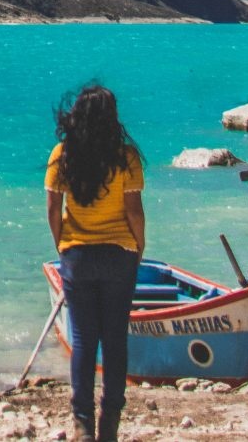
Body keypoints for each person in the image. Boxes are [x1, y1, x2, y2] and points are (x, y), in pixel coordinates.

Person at [45, 84, 144, 442]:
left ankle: (82, 425)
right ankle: (110, 426)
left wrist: (62, 246)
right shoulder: (126, 157)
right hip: (119, 255)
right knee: (115, 340)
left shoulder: (62, 155)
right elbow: (134, 211)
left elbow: (54, 209)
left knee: (84, 341)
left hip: (77, 257)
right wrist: (139, 248)